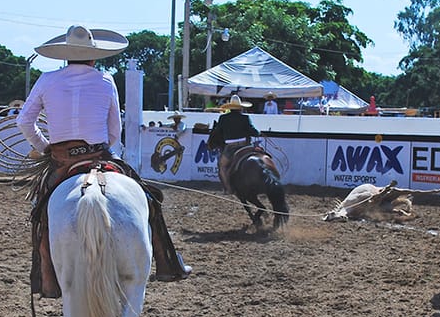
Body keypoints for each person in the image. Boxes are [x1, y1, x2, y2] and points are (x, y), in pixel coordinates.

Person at [17, 24, 191, 299]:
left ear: (65, 55)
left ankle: (46, 277)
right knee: (150, 200)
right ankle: (168, 263)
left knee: (41, 212)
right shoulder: (105, 80)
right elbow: (114, 133)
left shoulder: (47, 79)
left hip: (62, 161)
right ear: (93, 56)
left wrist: (46, 147)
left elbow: (24, 121)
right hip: (99, 154)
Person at [210, 94, 260, 194]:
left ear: (230, 107)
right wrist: (258, 132)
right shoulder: (245, 118)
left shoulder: (223, 118)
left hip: (230, 147)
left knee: (222, 166)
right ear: (240, 108)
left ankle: (228, 189)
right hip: (245, 146)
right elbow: (254, 132)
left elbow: (218, 132)